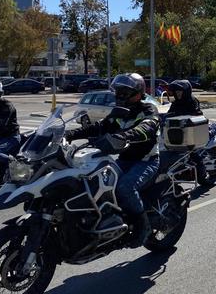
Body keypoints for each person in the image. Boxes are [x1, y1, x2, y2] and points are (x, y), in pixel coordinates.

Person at [65, 73, 160, 248]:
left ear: (138, 93)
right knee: (95, 181)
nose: (120, 96)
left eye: (124, 92)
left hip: (146, 160)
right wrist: (70, 134)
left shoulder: (148, 109)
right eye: (118, 92)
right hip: (124, 159)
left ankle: (143, 227)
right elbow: (100, 127)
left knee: (125, 188)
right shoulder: (119, 111)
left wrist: (123, 136)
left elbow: (146, 128)